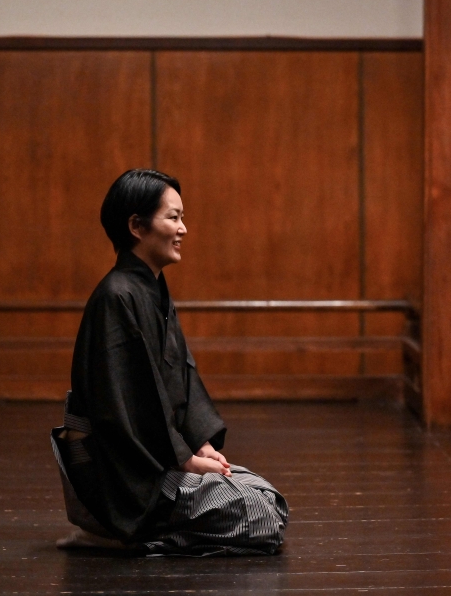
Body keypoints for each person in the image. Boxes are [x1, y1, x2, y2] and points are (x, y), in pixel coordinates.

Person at [51, 169, 288, 556]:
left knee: (265, 495)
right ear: (137, 226)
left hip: (164, 461)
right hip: (128, 480)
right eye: (173, 217)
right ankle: (117, 533)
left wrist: (202, 444)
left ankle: (134, 535)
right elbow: (125, 408)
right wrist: (186, 462)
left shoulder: (151, 289)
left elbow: (181, 377)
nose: (184, 229)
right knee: (262, 514)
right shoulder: (116, 296)